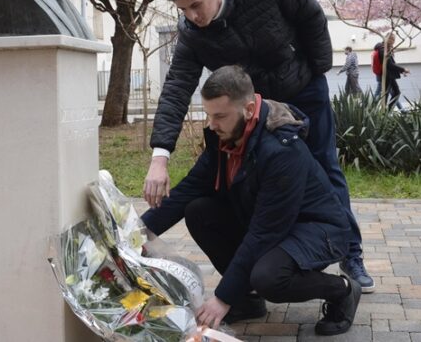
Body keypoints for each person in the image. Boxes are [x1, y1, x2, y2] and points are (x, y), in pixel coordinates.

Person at [144, 0, 374, 292]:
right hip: (252, 107)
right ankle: (265, 266)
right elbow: (177, 86)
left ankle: (351, 254)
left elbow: (310, 13)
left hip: (302, 88)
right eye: (183, 10)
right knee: (253, 176)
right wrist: (160, 156)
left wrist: (316, 68)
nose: (193, 16)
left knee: (325, 167)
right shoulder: (192, 34)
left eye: (196, 5)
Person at [141, 66, 362, 335]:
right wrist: (140, 231)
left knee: (269, 277)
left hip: (319, 229)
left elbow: (264, 233)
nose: (212, 125)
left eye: (220, 116)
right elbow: (192, 186)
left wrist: (222, 298)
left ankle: (343, 290)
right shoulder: (226, 135)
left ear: (247, 109)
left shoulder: (281, 150)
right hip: (273, 221)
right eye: (209, 115)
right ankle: (246, 301)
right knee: (199, 210)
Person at [374, 35, 409, 110]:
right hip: (385, 76)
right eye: (391, 39)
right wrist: (403, 69)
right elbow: (389, 64)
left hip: (389, 75)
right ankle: (384, 113)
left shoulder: (386, 48)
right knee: (385, 95)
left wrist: (401, 72)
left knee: (395, 93)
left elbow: (391, 63)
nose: (393, 41)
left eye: (394, 39)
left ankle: (387, 111)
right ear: (386, 38)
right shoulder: (382, 49)